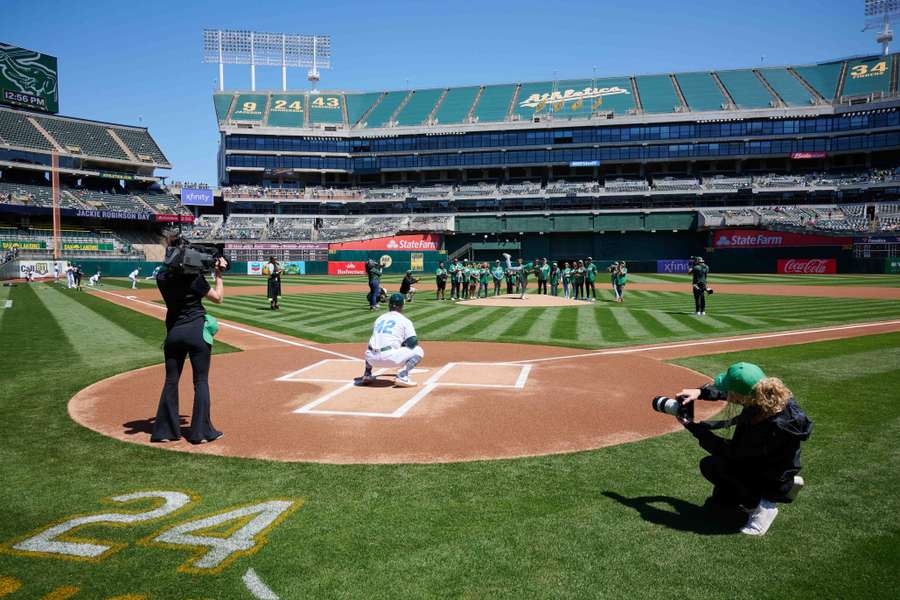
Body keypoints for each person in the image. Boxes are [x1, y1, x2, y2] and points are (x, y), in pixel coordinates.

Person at [675, 362, 812, 536]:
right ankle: (778, 487)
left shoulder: (772, 427)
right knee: (721, 496)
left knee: (713, 466)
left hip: (771, 473)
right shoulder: (766, 396)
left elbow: (732, 453)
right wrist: (700, 392)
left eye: (732, 392)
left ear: (743, 395)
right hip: (771, 464)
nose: (729, 395)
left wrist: (695, 429)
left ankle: (765, 505)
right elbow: (729, 393)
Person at [151, 245, 229, 444]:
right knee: (200, 381)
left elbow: (167, 269)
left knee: (171, 381)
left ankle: (164, 432)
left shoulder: (162, 279)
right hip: (196, 332)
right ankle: (201, 433)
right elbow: (218, 298)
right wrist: (218, 274)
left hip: (174, 333)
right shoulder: (195, 280)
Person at [355, 292, 424, 388]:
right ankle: (403, 376)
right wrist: (402, 344)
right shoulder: (405, 320)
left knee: (373, 344)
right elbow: (413, 343)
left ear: (389, 305)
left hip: (371, 359)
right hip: (390, 359)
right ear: (402, 306)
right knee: (418, 350)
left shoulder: (379, 318)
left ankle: (367, 374)